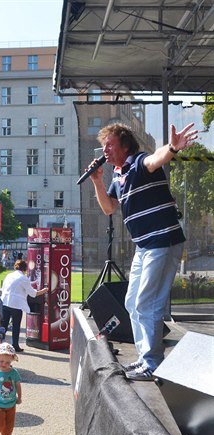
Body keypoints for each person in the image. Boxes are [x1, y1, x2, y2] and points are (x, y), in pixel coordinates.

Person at [89, 122, 198, 381]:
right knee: (131, 302)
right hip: (145, 245)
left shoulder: (137, 163)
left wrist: (172, 147)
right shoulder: (118, 174)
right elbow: (108, 208)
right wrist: (97, 180)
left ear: (125, 146)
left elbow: (155, 160)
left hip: (162, 240)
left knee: (146, 302)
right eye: (104, 144)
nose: (105, 149)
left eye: (110, 144)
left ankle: (152, 364)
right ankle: (144, 358)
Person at [1, 259, 48, 352]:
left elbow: (3, 288)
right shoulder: (23, 278)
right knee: (16, 326)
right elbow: (32, 293)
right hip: (16, 304)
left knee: (4, 325)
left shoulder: (9, 275)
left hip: (5, 302)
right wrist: (44, 290)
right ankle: (15, 345)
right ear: (25, 269)